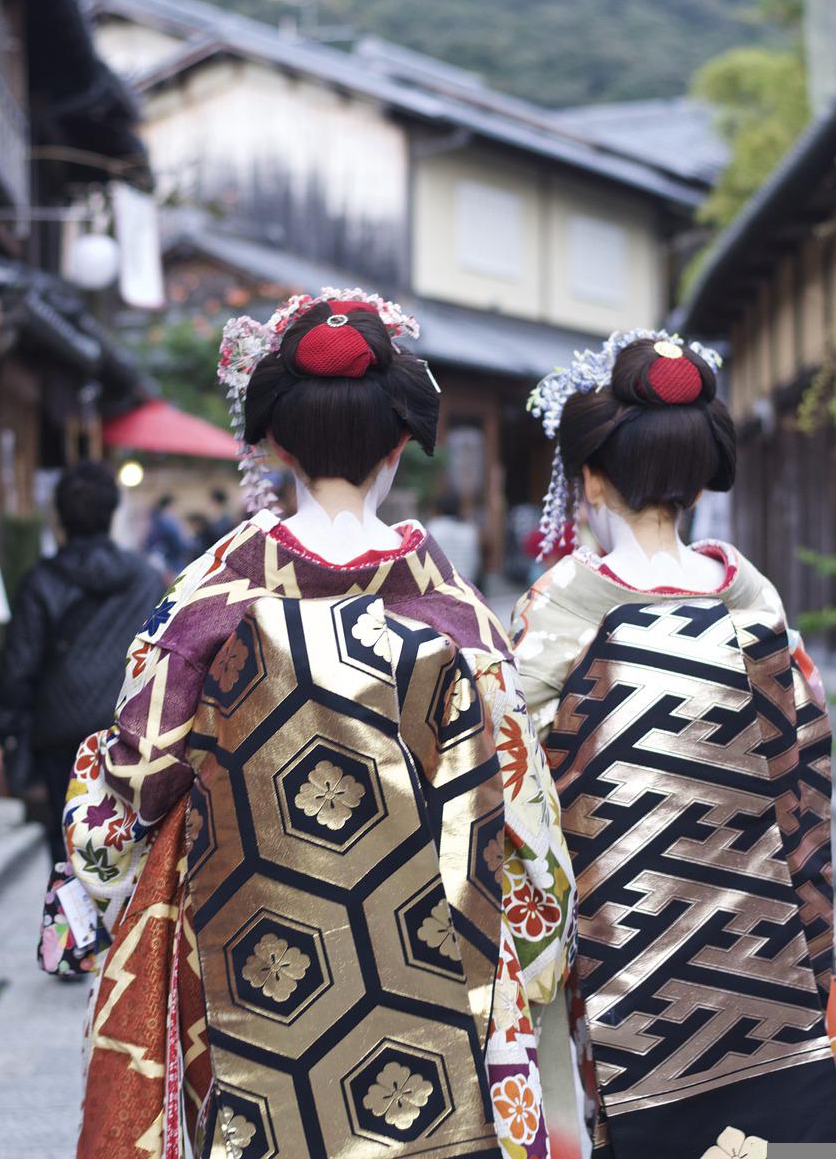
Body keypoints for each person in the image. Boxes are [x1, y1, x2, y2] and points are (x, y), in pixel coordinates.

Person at [57, 291, 576, 1159]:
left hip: (241, 943)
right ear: (399, 444)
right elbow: (519, 803)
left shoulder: (212, 593)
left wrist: (98, 843)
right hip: (431, 945)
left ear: (272, 444)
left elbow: (136, 781)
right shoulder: (454, 609)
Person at [512, 333, 836, 1158]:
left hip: (628, 956)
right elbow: (807, 777)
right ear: (696, 483)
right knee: (776, 1134)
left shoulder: (561, 606)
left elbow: (519, 781)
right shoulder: (751, 598)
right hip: (765, 947)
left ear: (589, 478)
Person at [0, 462, 165, 862]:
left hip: (60, 736)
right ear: (112, 511)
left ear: (59, 516)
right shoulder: (145, 579)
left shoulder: (41, 581)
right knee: (127, 847)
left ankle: (70, 903)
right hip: (127, 731)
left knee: (67, 848)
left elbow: (20, 667)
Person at [426, 489, 482, 582]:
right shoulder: (469, 530)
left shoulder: (433, 527)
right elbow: (476, 561)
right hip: (467, 582)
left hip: (440, 584)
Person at [144, 493, 189, 575]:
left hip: (161, 562)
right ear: (170, 505)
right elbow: (179, 543)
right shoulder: (168, 521)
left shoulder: (155, 520)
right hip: (172, 563)